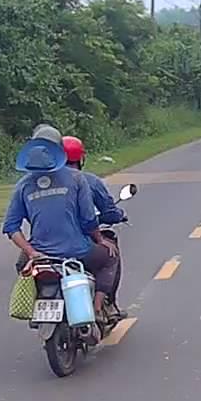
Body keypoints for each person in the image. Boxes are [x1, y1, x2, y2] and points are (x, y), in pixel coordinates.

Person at [3, 124, 119, 323]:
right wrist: (100, 239)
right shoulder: (77, 178)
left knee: (22, 265)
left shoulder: (23, 185)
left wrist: (31, 252)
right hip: (77, 251)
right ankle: (98, 307)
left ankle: (36, 303)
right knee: (110, 257)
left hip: (40, 256)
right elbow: (88, 219)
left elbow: (11, 227)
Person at [60, 135, 126, 317]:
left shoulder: (40, 182)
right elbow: (92, 218)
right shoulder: (87, 181)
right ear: (81, 158)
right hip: (79, 244)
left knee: (24, 264)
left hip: (42, 247)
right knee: (110, 254)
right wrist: (117, 217)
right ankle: (104, 306)